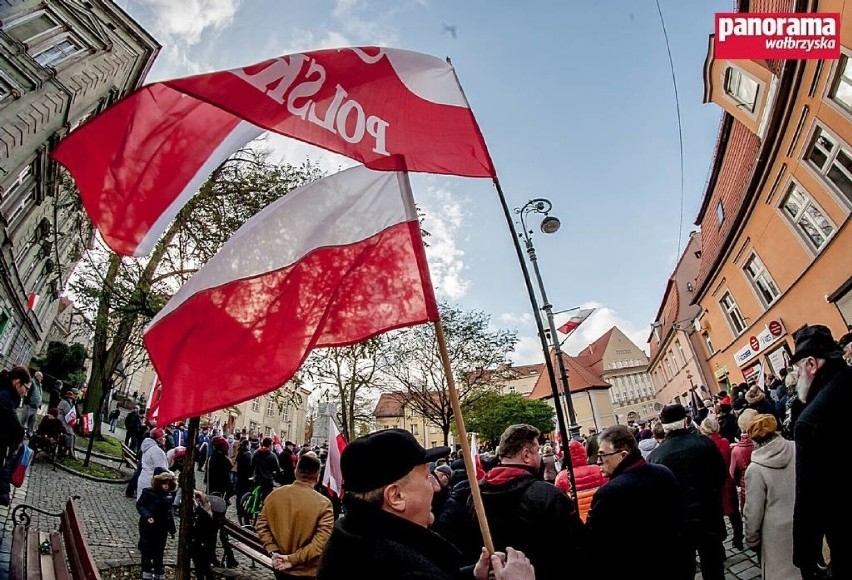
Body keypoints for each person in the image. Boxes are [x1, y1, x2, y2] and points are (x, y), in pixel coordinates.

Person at [317, 429, 535, 580]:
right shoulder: (403, 569)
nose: (435, 485)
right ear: (396, 497)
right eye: (426, 476)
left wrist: (470, 575)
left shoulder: (353, 535)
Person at [476, 424, 586, 579]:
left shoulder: (476, 495)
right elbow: (577, 549)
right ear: (526, 455)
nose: (540, 457)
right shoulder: (548, 495)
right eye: (538, 451)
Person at [586, 425, 688, 578]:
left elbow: (595, 542)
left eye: (602, 456)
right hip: (676, 563)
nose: (598, 462)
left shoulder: (609, 493)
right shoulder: (663, 471)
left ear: (623, 455)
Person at [789, 325, 851, 579]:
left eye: (798, 368)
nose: (796, 376)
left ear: (812, 364)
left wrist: (805, 555)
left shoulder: (811, 420)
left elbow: (809, 495)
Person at [649, 404, 726, 580]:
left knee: (684, 568)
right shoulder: (704, 442)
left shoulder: (655, 456)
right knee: (713, 565)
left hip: (678, 523)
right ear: (685, 421)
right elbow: (720, 474)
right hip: (708, 514)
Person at [256, 452, 334, 578]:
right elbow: (320, 544)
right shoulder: (324, 504)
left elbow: (261, 526)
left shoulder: (274, 496)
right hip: (306, 571)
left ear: (296, 471)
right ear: (317, 477)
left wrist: (274, 551)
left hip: (279, 565)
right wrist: (292, 559)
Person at [743, 414, 797, 580]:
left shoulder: (755, 469)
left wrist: (752, 539)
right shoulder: (795, 448)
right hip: (805, 521)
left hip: (775, 535)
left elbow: (753, 511)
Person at [700, 416, 744, 551]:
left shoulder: (704, 445)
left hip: (712, 485)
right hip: (727, 481)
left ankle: (721, 546)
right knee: (734, 513)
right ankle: (738, 539)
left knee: (716, 515)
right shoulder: (724, 442)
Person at [136, 467, 177, 580]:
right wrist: (147, 516)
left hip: (161, 528)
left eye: (168, 484)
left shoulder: (168, 497)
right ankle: (147, 572)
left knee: (159, 551)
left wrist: (172, 530)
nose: (166, 486)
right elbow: (140, 505)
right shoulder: (148, 492)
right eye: (164, 484)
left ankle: (159, 572)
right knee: (147, 550)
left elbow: (169, 515)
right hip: (148, 527)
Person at [554, 439, 607, 522]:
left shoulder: (562, 476)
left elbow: (559, 503)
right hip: (600, 515)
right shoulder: (598, 470)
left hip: (577, 520)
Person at [1, 366, 30, 506]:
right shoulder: (5, 397)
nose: (26, 393)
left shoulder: (7, 395)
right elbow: (15, 427)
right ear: (17, 382)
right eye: (26, 387)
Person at [137, 428, 170, 500]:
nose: (165, 439)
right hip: (152, 482)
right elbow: (162, 470)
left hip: (144, 478)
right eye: (163, 437)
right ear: (158, 439)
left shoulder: (148, 447)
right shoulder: (157, 451)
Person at [252, 437, 281, 501]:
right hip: (267, 480)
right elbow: (277, 468)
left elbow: (252, 464)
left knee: (255, 493)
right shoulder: (272, 455)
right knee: (267, 497)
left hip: (257, 477)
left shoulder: (256, 452)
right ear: (270, 445)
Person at [56, 389, 78, 459]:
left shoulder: (69, 403)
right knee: (71, 434)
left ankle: (69, 450)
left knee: (72, 434)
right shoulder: (65, 403)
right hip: (61, 421)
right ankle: (70, 451)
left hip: (65, 421)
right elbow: (68, 413)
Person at [21, 370, 42, 438]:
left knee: (32, 421)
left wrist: (39, 404)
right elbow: (27, 393)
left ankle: (29, 434)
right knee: (24, 420)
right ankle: (20, 432)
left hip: (35, 407)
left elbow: (39, 395)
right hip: (29, 405)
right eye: (41, 377)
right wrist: (26, 403)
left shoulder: (39, 385)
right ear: (37, 376)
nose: (42, 378)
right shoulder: (32, 381)